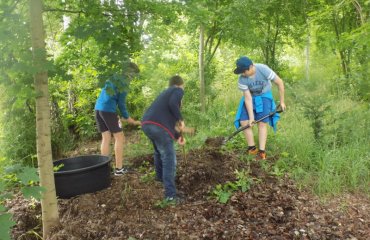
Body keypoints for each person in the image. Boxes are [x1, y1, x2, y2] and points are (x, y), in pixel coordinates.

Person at [141, 75, 186, 203]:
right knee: (169, 158)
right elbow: (173, 104)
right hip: (158, 127)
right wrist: (181, 119)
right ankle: (170, 195)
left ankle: (160, 178)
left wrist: (177, 137)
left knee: (158, 152)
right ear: (180, 84)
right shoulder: (177, 90)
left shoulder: (164, 95)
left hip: (147, 124)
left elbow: (166, 122)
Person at [233, 56, 286, 160]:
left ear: (251, 67)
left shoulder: (263, 69)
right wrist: (252, 118)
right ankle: (252, 149)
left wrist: (282, 102)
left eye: (243, 71)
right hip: (251, 98)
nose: (242, 74)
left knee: (262, 123)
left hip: (264, 95)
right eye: (241, 72)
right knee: (244, 121)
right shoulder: (242, 79)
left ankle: (262, 152)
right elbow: (247, 98)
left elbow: (279, 82)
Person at [94, 62, 141, 176]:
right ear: (129, 73)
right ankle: (119, 169)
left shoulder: (113, 77)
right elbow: (121, 103)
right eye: (133, 75)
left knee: (106, 138)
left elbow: (110, 96)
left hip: (98, 109)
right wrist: (128, 118)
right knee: (119, 137)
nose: (133, 78)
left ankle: (104, 169)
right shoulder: (123, 84)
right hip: (108, 110)